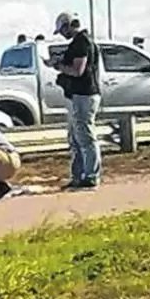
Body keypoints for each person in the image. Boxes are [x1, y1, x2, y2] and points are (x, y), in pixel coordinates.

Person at [49, 12, 102, 189]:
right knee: (76, 137)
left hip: (83, 95)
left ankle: (91, 175)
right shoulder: (82, 42)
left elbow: (78, 71)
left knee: (85, 136)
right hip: (79, 95)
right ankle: (79, 175)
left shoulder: (82, 42)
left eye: (63, 29)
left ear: (69, 25)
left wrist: (60, 67)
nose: (63, 34)